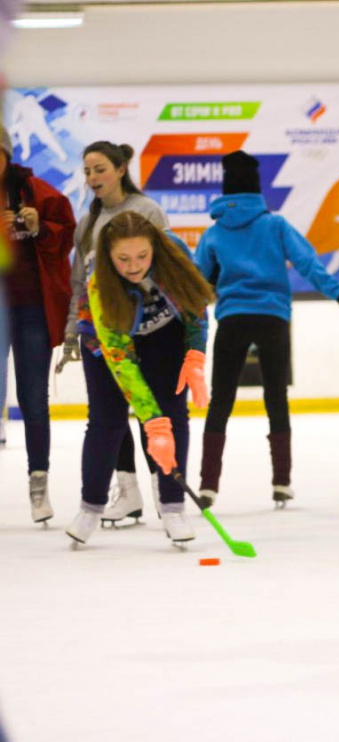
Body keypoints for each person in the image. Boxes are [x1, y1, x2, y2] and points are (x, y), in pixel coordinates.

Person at [195, 150, 339, 509]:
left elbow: (197, 282)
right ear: (256, 187)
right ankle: (282, 482)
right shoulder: (275, 226)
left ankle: (208, 486)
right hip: (273, 318)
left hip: (232, 318)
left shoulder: (213, 234)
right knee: (276, 396)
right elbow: (309, 264)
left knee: (222, 400)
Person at [65, 211, 215, 548]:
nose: (134, 266)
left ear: (155, 248)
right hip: (108, 342)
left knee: (173, 412)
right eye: (123, 258)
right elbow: (121, 360)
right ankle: (90, 507)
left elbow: (195, 304)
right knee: (106, 420)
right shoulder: (98, 278)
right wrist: (153, 426)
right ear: (109, 256)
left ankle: (173, 508)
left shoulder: (173, 250)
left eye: (142, 256)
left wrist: (195, 355)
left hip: (164, 333)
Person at [61, 141, 171, 526]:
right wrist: (73, 332)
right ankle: (128, 492)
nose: (92, 178)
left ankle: (165, 492)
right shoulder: (88, 223)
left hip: (150, 333)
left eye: (100, 169)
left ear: (122, 169)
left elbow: (169, 271)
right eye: (88, 171)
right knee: (107, 415)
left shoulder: (147, 212)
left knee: (150, 411)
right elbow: (79, 283)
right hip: (103, 333)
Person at [0, 126, 76, 524]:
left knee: (33, 399)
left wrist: (40, 227)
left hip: (29, 307)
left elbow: (65, 239)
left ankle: (38, 483)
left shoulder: (36, 190)